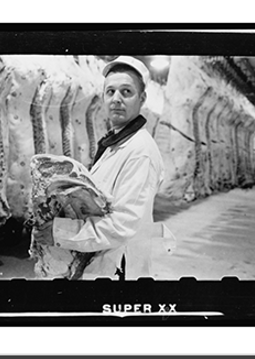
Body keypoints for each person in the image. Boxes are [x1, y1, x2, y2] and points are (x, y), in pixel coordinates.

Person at [33, 56, 166, 279]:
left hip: (119, 268)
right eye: (110, 92)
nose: (116, 99)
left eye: (126, 92)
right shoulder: (115, 144)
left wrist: (59, 232)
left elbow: (121, 225)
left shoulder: (140, 151)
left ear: (142, 98)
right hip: (101, 262)